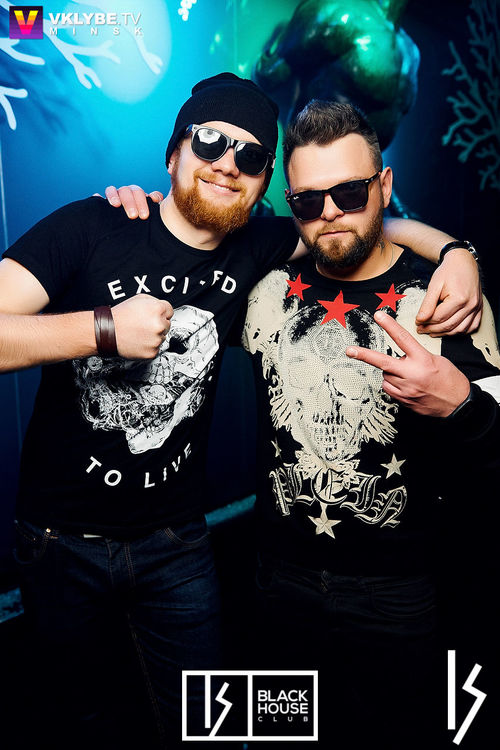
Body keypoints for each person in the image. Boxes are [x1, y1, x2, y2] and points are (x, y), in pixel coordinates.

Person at [0, 73, 482, 749]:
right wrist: (102, 329)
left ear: (262, 187)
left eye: (251, 156)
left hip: (177, 544)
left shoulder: (257, 247)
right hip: (59, 542)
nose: (227, 163)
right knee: (81, 719)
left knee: (210, 725)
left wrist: (458, 253)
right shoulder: (91, 226)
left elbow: (357, 218)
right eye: (208, 142)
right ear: (173, 153)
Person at [239, 100, 500, 749]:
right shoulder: (264, 290)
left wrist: (460, 403)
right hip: (278, 583)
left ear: (383, 185)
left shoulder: (441, 299)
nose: (329, 212)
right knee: (282, 738)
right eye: (308, 201)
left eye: (350, 193)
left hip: (400, 593)